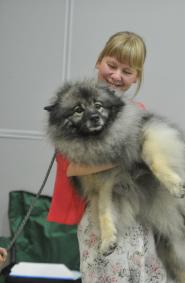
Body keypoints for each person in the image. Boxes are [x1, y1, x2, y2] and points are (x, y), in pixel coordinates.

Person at [48, 31, 167, 283]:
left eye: (127, 71)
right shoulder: (74, 107)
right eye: (111, 65)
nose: (116, 76)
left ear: (136, 77)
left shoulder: (138, 113)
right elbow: (72, 168)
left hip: (139, 221)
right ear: (99, 61)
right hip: (100, 220)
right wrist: (131, 154)